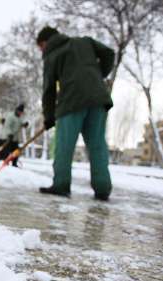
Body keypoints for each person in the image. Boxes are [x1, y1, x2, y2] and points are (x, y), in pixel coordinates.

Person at [36, 26, 114, 200]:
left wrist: (49, 117)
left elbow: (48, 89)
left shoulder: (52, 55)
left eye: (40, 46)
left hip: (71, 102)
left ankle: (61, 185)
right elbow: (109, 53)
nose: (41, 50)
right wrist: (97, 76)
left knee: (65, 146)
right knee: (97, 145)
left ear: (45, 42)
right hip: (98, 99)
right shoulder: (85, 42)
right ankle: (103, 189)